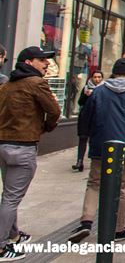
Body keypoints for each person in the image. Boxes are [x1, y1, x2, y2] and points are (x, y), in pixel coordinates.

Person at [69, 58, 125, 244]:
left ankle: (86, 222)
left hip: (101, 144)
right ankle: (118, 228)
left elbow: (87, 116)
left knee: (94, 183)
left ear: (113, 72)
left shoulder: (98, 92)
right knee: (123, 188)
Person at [0, 46, 61, 260]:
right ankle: (1, 246)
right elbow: (54, 111)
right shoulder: (36, 83)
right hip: (23, 146)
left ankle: (13, 234)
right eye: (41, 60)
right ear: (28, 62)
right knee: (11, 198)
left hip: (4, 145)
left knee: (8, 195)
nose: (46, 63)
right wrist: (45, 127)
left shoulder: (7, 85)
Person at [73, 70, 105, 172]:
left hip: (97, 117)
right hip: (85, 117)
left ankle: (94, 161)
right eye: (95, 77)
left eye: (99, 77)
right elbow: (80, 102)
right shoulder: (86, 88)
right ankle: (79, 161)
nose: (97, 79)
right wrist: (86, 95)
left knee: (94, 140)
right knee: (82, 138)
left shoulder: (104, 89)